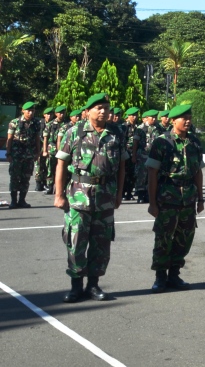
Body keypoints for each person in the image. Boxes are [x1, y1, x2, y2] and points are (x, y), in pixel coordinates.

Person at [53, 93, 127, 303]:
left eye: (106, 107)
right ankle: (76, 286)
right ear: (88, 111)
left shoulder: (116, 133)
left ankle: (93, 285)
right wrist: (58, 195)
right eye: (99, 108)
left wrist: (119, 194)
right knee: (75, 242)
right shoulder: (74, 132)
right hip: (78, 196)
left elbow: (122, 166)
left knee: (101, 243)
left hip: (105, 196)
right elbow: (61, 164)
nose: (103, 111)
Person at [146, 104, 205, 293]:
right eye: (183, 118)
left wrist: (201, 198)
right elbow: (152, 173)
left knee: (184, 238)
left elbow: (197, 172)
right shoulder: (162, 142)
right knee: (163, 238)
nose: (188, 121)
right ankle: (160, 276)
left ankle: (174, 274)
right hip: (167, 197)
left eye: (189, 117)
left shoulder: (194, 143)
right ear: (173, 121)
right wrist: (153, 203)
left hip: (188, 198)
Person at [6, 101, 42, 208]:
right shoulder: (14, 122)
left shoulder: (36, 123)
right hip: (17, 155)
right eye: (28, 110)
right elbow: (9, 139)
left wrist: (37, 153)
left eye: (32, 110)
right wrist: (8, 153)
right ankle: (13, 201)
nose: (31, 113)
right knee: (14, 178)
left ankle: (22, 200)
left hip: (29, 155)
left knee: (26, 178)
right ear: (23, 111)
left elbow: (37, 139)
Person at [43, 105, 68, 195]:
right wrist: (45, 150)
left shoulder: (67, 124)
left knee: (62, 168)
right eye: (60, 113)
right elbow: (45, 138)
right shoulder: (50, 124)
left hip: (64, 148)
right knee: (50, 167)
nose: (62, 114)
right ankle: (50, 186)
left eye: (63, 112)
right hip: (52, 148)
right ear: (56, 114)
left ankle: (61, 187)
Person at [133, 110, 157, 203]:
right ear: (147, 118)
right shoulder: (140, 128)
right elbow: (135, 142)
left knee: (151, 175)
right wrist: (134, 155)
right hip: (142, 155)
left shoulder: (157, 128)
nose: (154, 119)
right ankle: (140, 195)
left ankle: (148, 194)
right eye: (152, 117)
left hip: (153, 155)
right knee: (141, 175)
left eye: (155, 117)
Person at [121, 107, 140, 200]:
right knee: (125, 173)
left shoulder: (138, 127)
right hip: (126, 153)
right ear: (128, 116)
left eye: (136, 115)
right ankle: (122, 193)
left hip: (134, 153)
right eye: (132, 115)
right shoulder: (124, 127)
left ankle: (129, 193)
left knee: (133, 174)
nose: (134, 117)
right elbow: (122, 141)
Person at [35, 106, 54, 192]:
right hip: (40, 146)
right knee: (39, 165)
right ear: (44, 115)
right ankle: (38, 183)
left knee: (47, 165)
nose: (49, 116)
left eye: (50, 114)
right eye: (47, 114)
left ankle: (45, 183)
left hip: (49, 147)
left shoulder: (54, 124)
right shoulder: (39, 123)